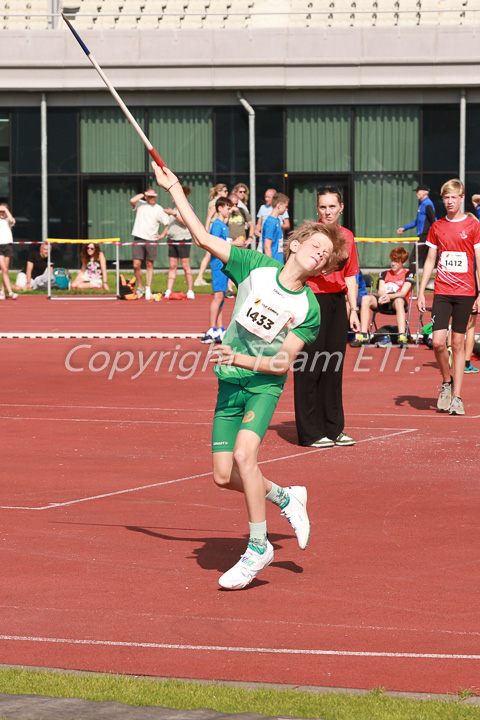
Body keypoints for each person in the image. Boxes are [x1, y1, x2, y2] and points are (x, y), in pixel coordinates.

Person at [152, 159, 347, 590]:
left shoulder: (308, 310)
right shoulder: (253, 267)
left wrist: (239, 359)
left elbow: (281, 364)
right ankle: (285, 496)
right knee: (224, 476)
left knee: (245, 458)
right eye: (314, 243)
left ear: (323, 267)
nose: (320, 252)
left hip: (262, 383)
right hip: (230, 384)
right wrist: (174, 188)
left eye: (326, 254)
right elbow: (202, 237)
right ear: (295, 244)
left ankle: (258, 547)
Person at [294, 185, 360, 449]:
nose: (328, 211)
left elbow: (351, 274)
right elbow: (294, 269)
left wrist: (353, 308)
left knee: (333, 366)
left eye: (332, 206)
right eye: (323, 206)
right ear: (317, 209)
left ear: (341, 208)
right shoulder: (309, 235)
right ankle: (310, 432)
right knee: (309, 366)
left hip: (336, 302)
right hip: (311, 300)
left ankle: (334, 429)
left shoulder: (347, 237)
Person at [418, 179, 480, 416]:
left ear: (462, 198)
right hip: (442, 291)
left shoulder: (473, 226)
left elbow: (478, 262)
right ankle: (446, 382)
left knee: (458, 343)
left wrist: (479, 293)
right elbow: (431, 261)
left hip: (465, 293)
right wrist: (422, 291)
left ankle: (457, 397)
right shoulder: (437, 227)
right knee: (437, 342)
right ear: (442, 200)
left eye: (454, 197)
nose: (450, 201)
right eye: (446, 198)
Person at [351, 247, 414, 348]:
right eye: (392, 260)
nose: (393, 263)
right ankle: (363, 335)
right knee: (366, 298)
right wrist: (383, 296)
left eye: (397, 261)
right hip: (383, 301)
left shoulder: (408, 274)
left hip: (398, 302)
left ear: (403, 262)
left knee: (398, 301)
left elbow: (403, 293)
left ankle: (402, 336)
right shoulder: (384, 273)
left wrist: (389, 296)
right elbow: (380, 290)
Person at [200, 197, 235, 344]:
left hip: (224, 264)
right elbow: (214, 244)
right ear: (219, 208)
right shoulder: (217, 224)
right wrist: (233, 243)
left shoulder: (225, 226)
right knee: (217, 297)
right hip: (218, 265)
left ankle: (219, 328)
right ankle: (210, 330)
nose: (230, 210)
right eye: (227, 207)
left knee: (221, 299)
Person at [130, 188, 171, 301]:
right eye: (151, 196)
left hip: (151, 240)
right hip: (138, 238)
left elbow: (167, 223)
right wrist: (144, 194)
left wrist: (162, 235)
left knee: (149, 264)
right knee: (136, 265)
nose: (153, 198)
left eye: (155, 197)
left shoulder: (158, 209)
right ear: (146, 197)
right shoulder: (141, 204)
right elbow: (132, 200)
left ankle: (148, 287)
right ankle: (140, 287)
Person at [157, 185, 195, 300]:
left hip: (183, 240)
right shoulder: (175, 209)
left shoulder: (186, 207)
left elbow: (185, 222)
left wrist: (174, 214)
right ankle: (169, 290)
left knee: (185, 266)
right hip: (172, 240)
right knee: (172, 266)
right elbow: (170, 225)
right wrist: (162, 235)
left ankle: (190, 290)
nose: (172, 198)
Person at [194, 184, 228, 287]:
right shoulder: (216, 203)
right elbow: (209, 216)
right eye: (225, 191)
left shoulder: (222, 203)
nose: (227, 193)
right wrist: (206, 230)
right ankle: (199, 277)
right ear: (219, 192)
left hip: (219, 227)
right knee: (209, 254)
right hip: (215, 227)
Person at [397, 184, 436, 275]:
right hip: (422, 235)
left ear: (423, 192)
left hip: (425, 235)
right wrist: (404, 228)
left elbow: (434, 220)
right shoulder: (422, 204)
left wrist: (434, 234)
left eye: (417, 191)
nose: (416, 194)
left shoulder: (428, 204)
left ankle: (409, 279)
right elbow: (417, 221)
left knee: (414, 258)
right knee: (431, 258)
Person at [261, 193, 289, 263]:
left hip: (279, 261)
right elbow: (267, 247)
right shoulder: (270, 222)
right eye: (285, 206)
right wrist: (270, 264)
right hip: (273, 263)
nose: (286, 209)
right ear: (279, 205)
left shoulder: (277, 221)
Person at [0, 203, 18, 300]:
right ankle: (10, 292)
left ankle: (2, 291)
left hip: (8, 245)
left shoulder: (8, 220)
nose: (2, 213)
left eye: (4, 211)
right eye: (0, 211)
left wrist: (5, 210)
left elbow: (11, 220)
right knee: (4, 269)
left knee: (5, 270)